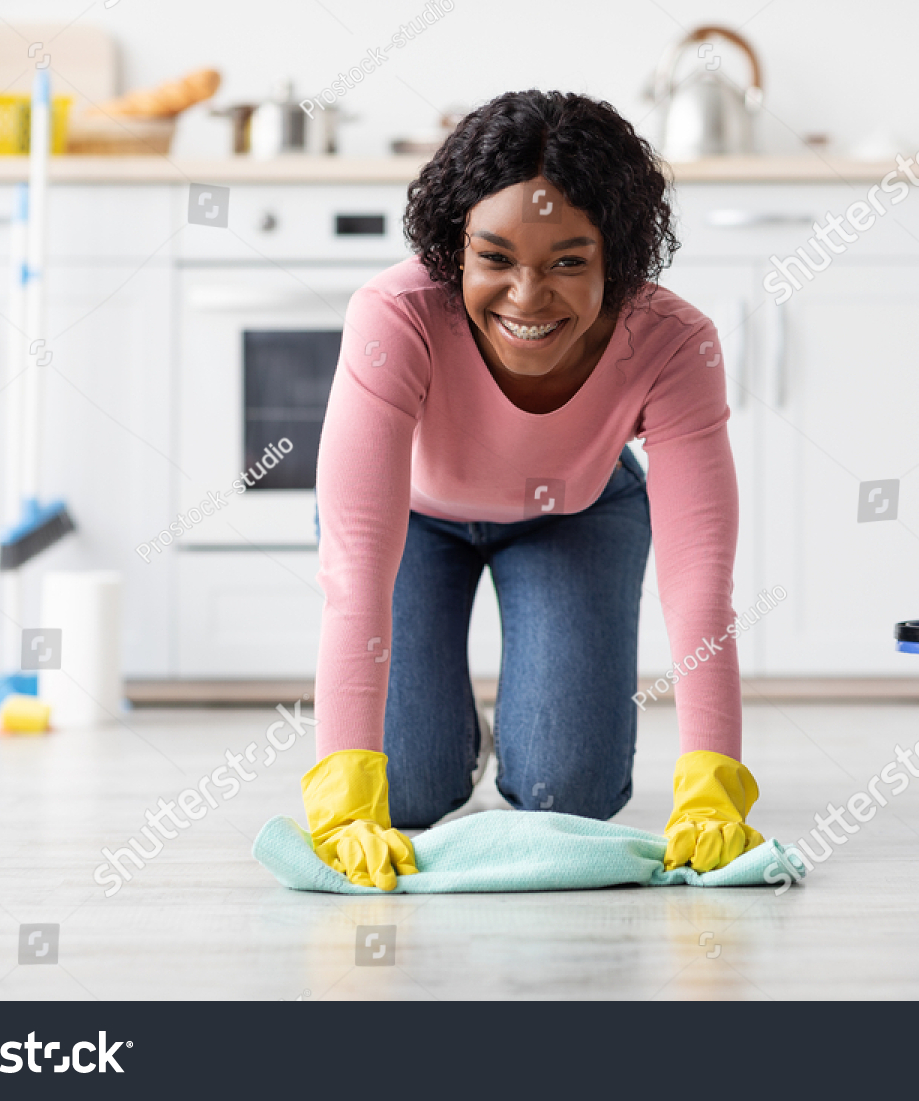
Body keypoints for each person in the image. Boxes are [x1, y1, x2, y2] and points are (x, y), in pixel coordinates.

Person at [301, 89, 764, 890]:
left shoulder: (673, 341)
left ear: (616, 255)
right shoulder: (396, 314)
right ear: (455, 249)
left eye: (567, 263)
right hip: (413, 517)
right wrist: (345, 793)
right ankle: (458, 728)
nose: (526, 296)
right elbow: (356, 576)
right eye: (496, 258)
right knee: (406, 790)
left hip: (575, 514)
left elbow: (700, 585)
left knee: (569, 793)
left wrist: (714, 778)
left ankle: (521, 715)